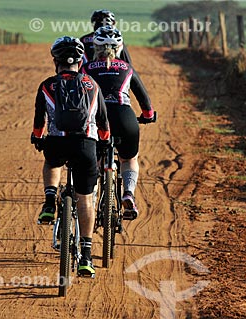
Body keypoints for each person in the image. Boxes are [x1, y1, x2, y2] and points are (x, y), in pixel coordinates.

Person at [31, 36, 110, 277]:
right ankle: (86, 255)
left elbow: (39, 121)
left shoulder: (47, 85)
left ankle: (48, 200)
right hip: (86, 145)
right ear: (80, 60)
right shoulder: (92, 85)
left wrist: (37, 137)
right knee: (85, 200)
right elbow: (103, 122)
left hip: (57, 143)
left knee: (51, 161)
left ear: (55, 60)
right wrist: (104, 143)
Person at [81, 25, 156, 219]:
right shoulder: (127, 68)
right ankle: (128, 193)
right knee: (129, 159)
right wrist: (148, 115)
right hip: (125, 118)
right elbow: (145, 100)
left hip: (97, 120)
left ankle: (93, 194)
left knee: (94, 159)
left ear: (94, 48)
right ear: (119, 48)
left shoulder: (86, 68)